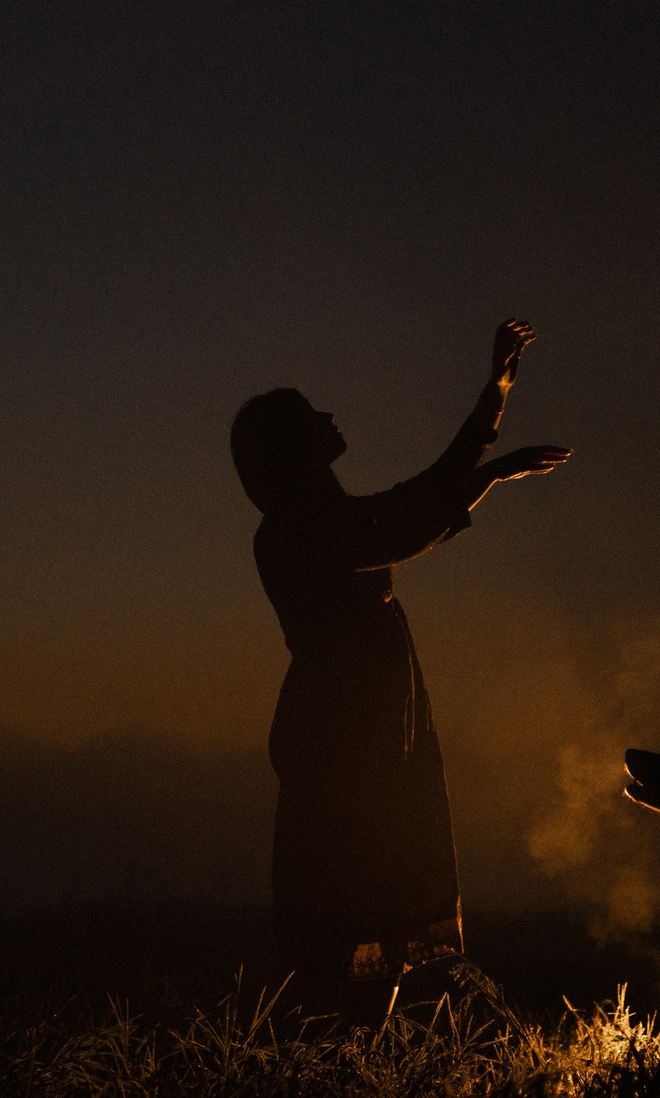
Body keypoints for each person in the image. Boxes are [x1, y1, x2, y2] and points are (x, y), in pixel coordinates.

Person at [230, 320, 571, 1025]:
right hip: (341, 736)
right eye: (313, 415)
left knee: (381, 896)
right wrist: (490, 474)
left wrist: (496, 390)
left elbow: (422, 494)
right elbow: (406, 527)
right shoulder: (292, 531)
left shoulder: (326, 516)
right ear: (293, 445)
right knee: (343, 895)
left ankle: (359, 1056)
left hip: (382, 725)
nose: (330, 417)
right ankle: (329, 1058)